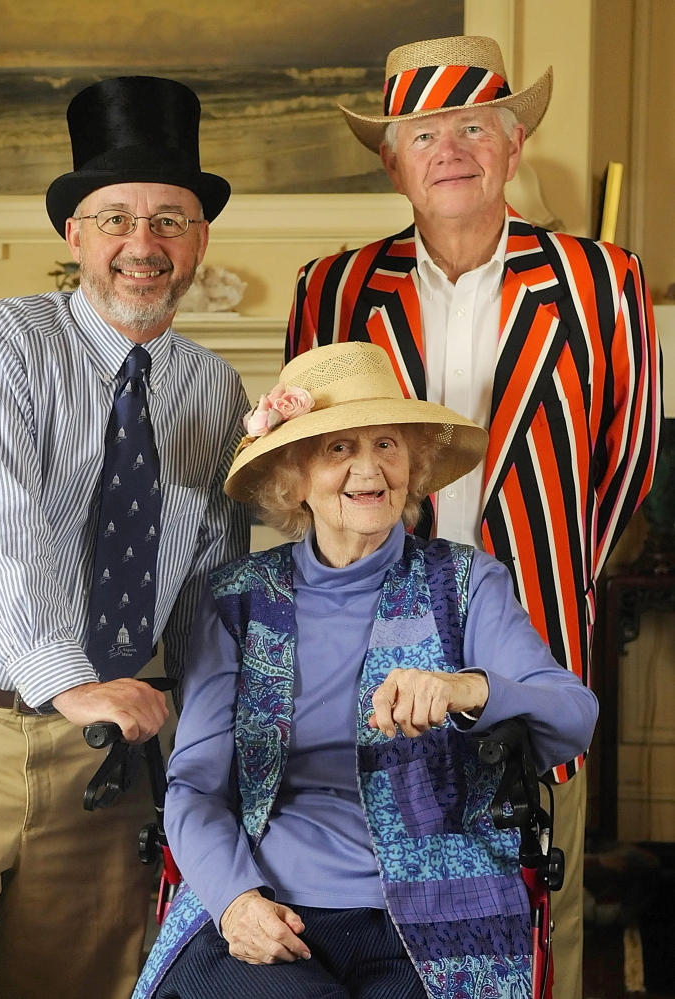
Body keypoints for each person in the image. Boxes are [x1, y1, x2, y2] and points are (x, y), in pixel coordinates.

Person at [285, 36, 661, 998]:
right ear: (391, 159)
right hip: (366, 643)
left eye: (472, 127)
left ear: (512, 144)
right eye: (423, 133)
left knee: (539, 894)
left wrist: (549, 566)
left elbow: (623, 464)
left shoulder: (599, 280)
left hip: (530, 635)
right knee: (377, 901)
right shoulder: (332, 290)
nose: (449, 148)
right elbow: (306, 466)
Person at [0, 77, 249, 999]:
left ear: (200, 239)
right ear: (76, 236)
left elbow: (212, 587)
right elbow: (2, 535)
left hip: (108, 766)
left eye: (169, 219)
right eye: (116, 219)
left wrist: (210, 743)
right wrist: (69, 678)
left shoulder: (215, 391)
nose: (144, 245)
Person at [134, 341, 599, 999]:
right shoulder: (237, 598)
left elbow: (573, 714)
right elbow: (195, 788)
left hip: (435, 915)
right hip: (266, 905)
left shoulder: (466, 583)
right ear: (292, 476)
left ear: (414, 461)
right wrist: (236, 900)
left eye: (387, 443)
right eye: (338, 448)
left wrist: (466, 687)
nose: (369, 468)